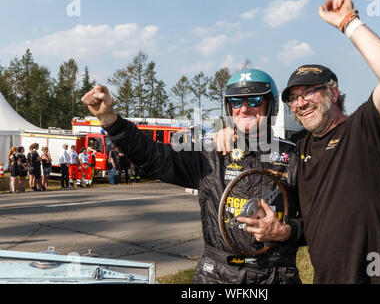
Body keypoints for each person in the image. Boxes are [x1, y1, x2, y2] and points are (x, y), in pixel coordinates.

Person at [82, 70, 305, 284]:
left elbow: (321, 225)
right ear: (229, 108)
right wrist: (110, 119)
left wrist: (285, 231)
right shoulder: (209, 154)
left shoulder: (295, 157)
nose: (244, 108)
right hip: (216, 275)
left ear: (271, 105)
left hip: (276, 274)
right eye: (236, 102)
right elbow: (152, 157)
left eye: (255, 100)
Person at [277, 0, 380, 283]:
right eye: (293, 99)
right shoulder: (301, 147)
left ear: (333, 93)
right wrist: (231, 131)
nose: (300, 103)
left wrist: (349, 23)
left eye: (308, 93)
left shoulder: (365, 128)